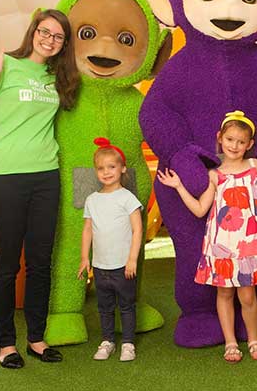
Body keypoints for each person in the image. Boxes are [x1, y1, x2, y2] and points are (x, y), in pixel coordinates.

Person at [0, 9, 79, 368]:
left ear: (63, 44)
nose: (50, 39)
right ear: (34, 31)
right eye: (45, 32)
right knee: (7, 263)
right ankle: (6, 344)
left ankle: (37, 339)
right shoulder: (7, 66)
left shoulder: (60, 77)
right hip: (5, 176)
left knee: (41, 262)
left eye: (58, 36)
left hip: (45, 176)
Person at [156, 110, 257, 363]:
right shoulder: (214, 175)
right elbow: (200, 209)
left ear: (249, 145)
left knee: (247, 296)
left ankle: (254, 338)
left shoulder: (253, 166)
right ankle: (230, 342)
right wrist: (179, 186)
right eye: (229, 140)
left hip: (249, 245)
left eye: (240, 141)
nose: (234, 146)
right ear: (220, 138)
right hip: (222, 245)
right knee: (224, 294)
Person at [77, 138, 143, 362]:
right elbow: (87, 230)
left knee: (126, 306)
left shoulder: (127, 198)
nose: (106, 172)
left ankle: (128, 343)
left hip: (123, 266)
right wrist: (85, 258)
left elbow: (137, 230)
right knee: (104, 307)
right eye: (101, 168)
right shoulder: (92, 200)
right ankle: (107, 341)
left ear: (122, 168)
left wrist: (132, 259)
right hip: (100, 266)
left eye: (111, 167)